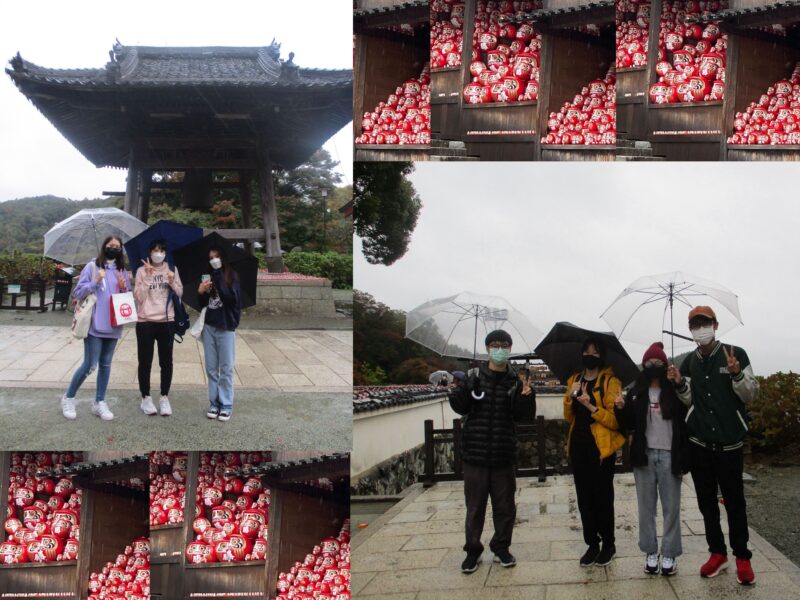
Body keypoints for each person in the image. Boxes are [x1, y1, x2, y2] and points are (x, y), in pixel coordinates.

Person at [671, 306, 759, 585]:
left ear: (715, 324)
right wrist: (678, 384)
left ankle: (742, 556)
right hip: (699, 444)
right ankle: (717, 553)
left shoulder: (736, 353)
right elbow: (688, 399)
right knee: (706, 503)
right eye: (695, 324)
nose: (701, 328)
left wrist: (735, 374)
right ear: (691, 330)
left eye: (705, 323)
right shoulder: (689, 362)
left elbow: (751, 394)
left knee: (735, 503)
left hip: (730, 444)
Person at [449, 330, 535, 574]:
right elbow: (459, 407)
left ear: (510, 348)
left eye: (505, 345)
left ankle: (501, 546)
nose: (500, 349)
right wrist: (466, 389)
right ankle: (472, 551)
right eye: (495, 344)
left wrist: (527, 397)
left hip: (503, 453)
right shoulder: (472, 376)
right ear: (487, 348)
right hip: (475, 453)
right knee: (475, 507)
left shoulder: (515, 381)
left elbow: (523, 416)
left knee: (505, 506)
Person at [615, 342, 690, 576]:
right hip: (644, 456)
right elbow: (627, 423)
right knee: (646, 509)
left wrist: (679, 382)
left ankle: (669, 553)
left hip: (670, 455)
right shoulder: (636, 392)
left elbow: (689, 405)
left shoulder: (673, 392)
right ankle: (649, 551)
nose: (653, 365)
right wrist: (620, 408)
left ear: (665, 364)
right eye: (649, 362)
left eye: (658, 362)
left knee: (672, 508)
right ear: (644, 364)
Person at [564, 337, 625, 567]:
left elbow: (615, 421)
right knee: (584, 498)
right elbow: (568, 417)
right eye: (586, 351)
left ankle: (608, 544)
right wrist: (571, 397)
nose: (590, 355)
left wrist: (591, 406)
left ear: (602, 356)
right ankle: (592, 544)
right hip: (578, 447)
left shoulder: (611, 382)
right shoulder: (574, 380)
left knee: (602, 497)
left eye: (595, 352)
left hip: (601, 450)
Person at [60, 236, 132, 421]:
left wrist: (124, 287)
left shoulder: (121, 270)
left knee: (106, 365)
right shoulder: (92, 267)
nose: (114, 249)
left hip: (114, 324)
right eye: (111, 246)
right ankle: (68, 397)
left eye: (117, 247)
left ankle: (99, 402)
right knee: (90, 365)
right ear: (104, 246)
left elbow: (126, 296)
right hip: (94, 324)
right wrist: (95, 282)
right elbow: (77, 292)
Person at [133, 240, 183, 417]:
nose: (158, 253)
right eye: (155, 250)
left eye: (161, 250)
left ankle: (164, 397)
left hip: (167, 322)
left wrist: (171, 281)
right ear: (150, 252)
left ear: (165, 253)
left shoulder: (172, 270)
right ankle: (145, 397)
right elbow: (139, 297)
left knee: (166, 362)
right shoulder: (140, 271)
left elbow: (179, 293)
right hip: (145, 321)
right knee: (145, 362)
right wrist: (147, 277)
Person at [197, 246, 241, 422]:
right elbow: (203, 303)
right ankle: (214, 402)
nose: (213, 260)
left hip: (226, 326)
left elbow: (231, 299)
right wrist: (201, 291)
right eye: (211, 257)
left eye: (216, 256)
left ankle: (226, 403)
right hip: (209, 326)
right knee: (211, 368)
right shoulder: (207, 276)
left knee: (226, 367)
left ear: (223, 258)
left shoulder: (232, 276)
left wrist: (218, 277)